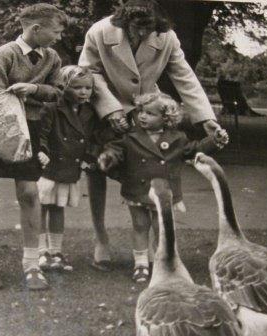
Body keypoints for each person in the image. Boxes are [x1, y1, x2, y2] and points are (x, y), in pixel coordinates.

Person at [78, 0, 225, 271]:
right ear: (123, 22)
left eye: (149, 30)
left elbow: (185, 77)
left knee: (153, 167)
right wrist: (110, 109)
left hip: (145, 107)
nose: (142, 36)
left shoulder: (166, 37)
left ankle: (161, 247)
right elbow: (89, 73)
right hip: (103, 105)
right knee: (96, 170)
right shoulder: (99, 32)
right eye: (136, 30)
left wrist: (206, 119)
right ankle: (101, 238)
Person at [0, 3, 67, 290]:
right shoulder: (4, 55)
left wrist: (34, 90)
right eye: (55, 31)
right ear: (36, 29)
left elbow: (57, 92)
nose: (58, 37)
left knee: (29, 192)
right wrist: (14, 111)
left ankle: (32, 265)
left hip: (30, 129)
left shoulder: (52, 58)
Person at [98, 92, 229, 282]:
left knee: (162, 228)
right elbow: (117, 150)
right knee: (140, 226)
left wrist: (214, 140)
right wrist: (108, 157)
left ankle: (164, 261)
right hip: (138, 190)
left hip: (165, 192)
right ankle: (141, 264)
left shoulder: (177, 138)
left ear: (166, 118)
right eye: (141, 111)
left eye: (150, 113)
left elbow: (194, 150)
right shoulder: (130, 136)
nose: (142, 116)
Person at [37, 65, 98, 272]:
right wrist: (42, 150)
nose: (83, 92)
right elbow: (42, 133)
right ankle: (40, 251)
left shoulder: (88, 112)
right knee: (41, 206)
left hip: (70, 166)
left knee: (58, 207)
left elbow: (91, 137)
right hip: (49, 165)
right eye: (77, 87)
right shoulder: (52, 108)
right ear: (64, 87)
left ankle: (56, 251)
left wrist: (88, 156)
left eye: (88, 88)